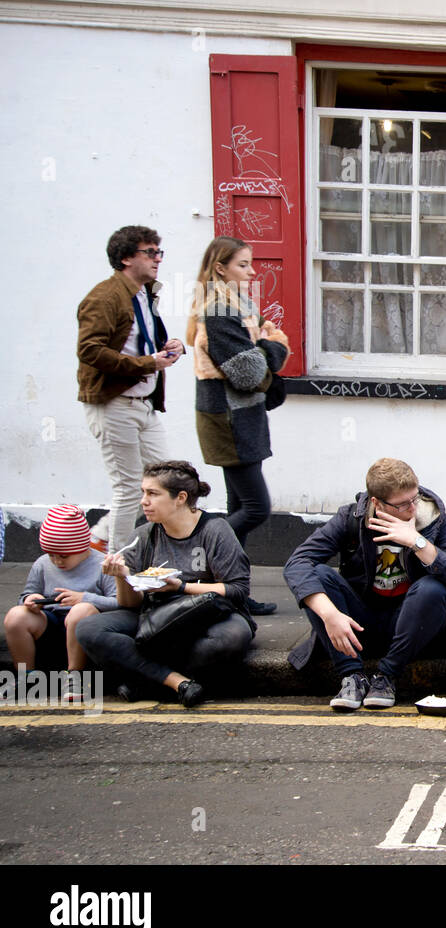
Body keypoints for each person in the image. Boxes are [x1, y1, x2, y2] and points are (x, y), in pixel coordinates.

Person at [284, 458, 446, 711]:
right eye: (402, 504)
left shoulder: (432, 518)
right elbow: (298, 563)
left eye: (414, 499)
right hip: (361, 624)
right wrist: (329, 615)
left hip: (413, 625)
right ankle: (352, 676)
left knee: (432, 588)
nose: (412, 509)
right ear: (376, 503)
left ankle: (386, 677)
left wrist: (417, 541)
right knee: (318, 575)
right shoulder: (351, 518)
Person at [76, 461, 256, 708]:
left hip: (207, 615)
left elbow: (237, 590)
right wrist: (122, 576)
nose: (143, 501)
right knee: (89, 629)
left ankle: (147, 681)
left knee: (233, 636)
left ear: (180, 498)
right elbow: (129, 604)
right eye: (143, 492)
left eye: (152, 493)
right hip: (156, 614)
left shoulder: (215, 530)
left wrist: (180, 587)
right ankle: (177, 682)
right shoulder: (143, 535)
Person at [186, 236, 290, 616]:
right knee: (256, 508)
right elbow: (248, 373)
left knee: (238, 506)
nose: (252, 271)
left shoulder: (237, 305)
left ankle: (232, 594)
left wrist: (265, 348)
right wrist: (272, 347)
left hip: (242, 416)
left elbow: (260, 356)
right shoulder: (217, 311)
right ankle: (199, 561)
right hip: (229, 419)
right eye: (243, 264)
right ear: (220, 268)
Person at [77, 225, 185, 554]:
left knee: (167, 480)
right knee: (128, 488)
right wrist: (146, 363)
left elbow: (140, 343)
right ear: (126, 258)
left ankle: (100, 537)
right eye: (149, 253)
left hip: (144, 404)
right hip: (113, 403)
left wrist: (172, 346)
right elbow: (90, 350)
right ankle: (116, 569)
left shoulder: (144, 291)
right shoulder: (103, 297)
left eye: (159, 252)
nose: (157, 259)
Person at [4, 505, 117, 691]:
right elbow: (25, 595)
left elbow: (119, 602)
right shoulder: (42, 564)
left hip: (85, 629)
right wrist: (31, 599)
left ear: (82, 547)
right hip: (50, 624)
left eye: (64, 556)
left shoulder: (102, 565)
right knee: (16, 616)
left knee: (81, 610)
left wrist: (84, 598)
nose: (57, 561)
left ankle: (74, 676)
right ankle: (27, 676)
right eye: (51, 555)